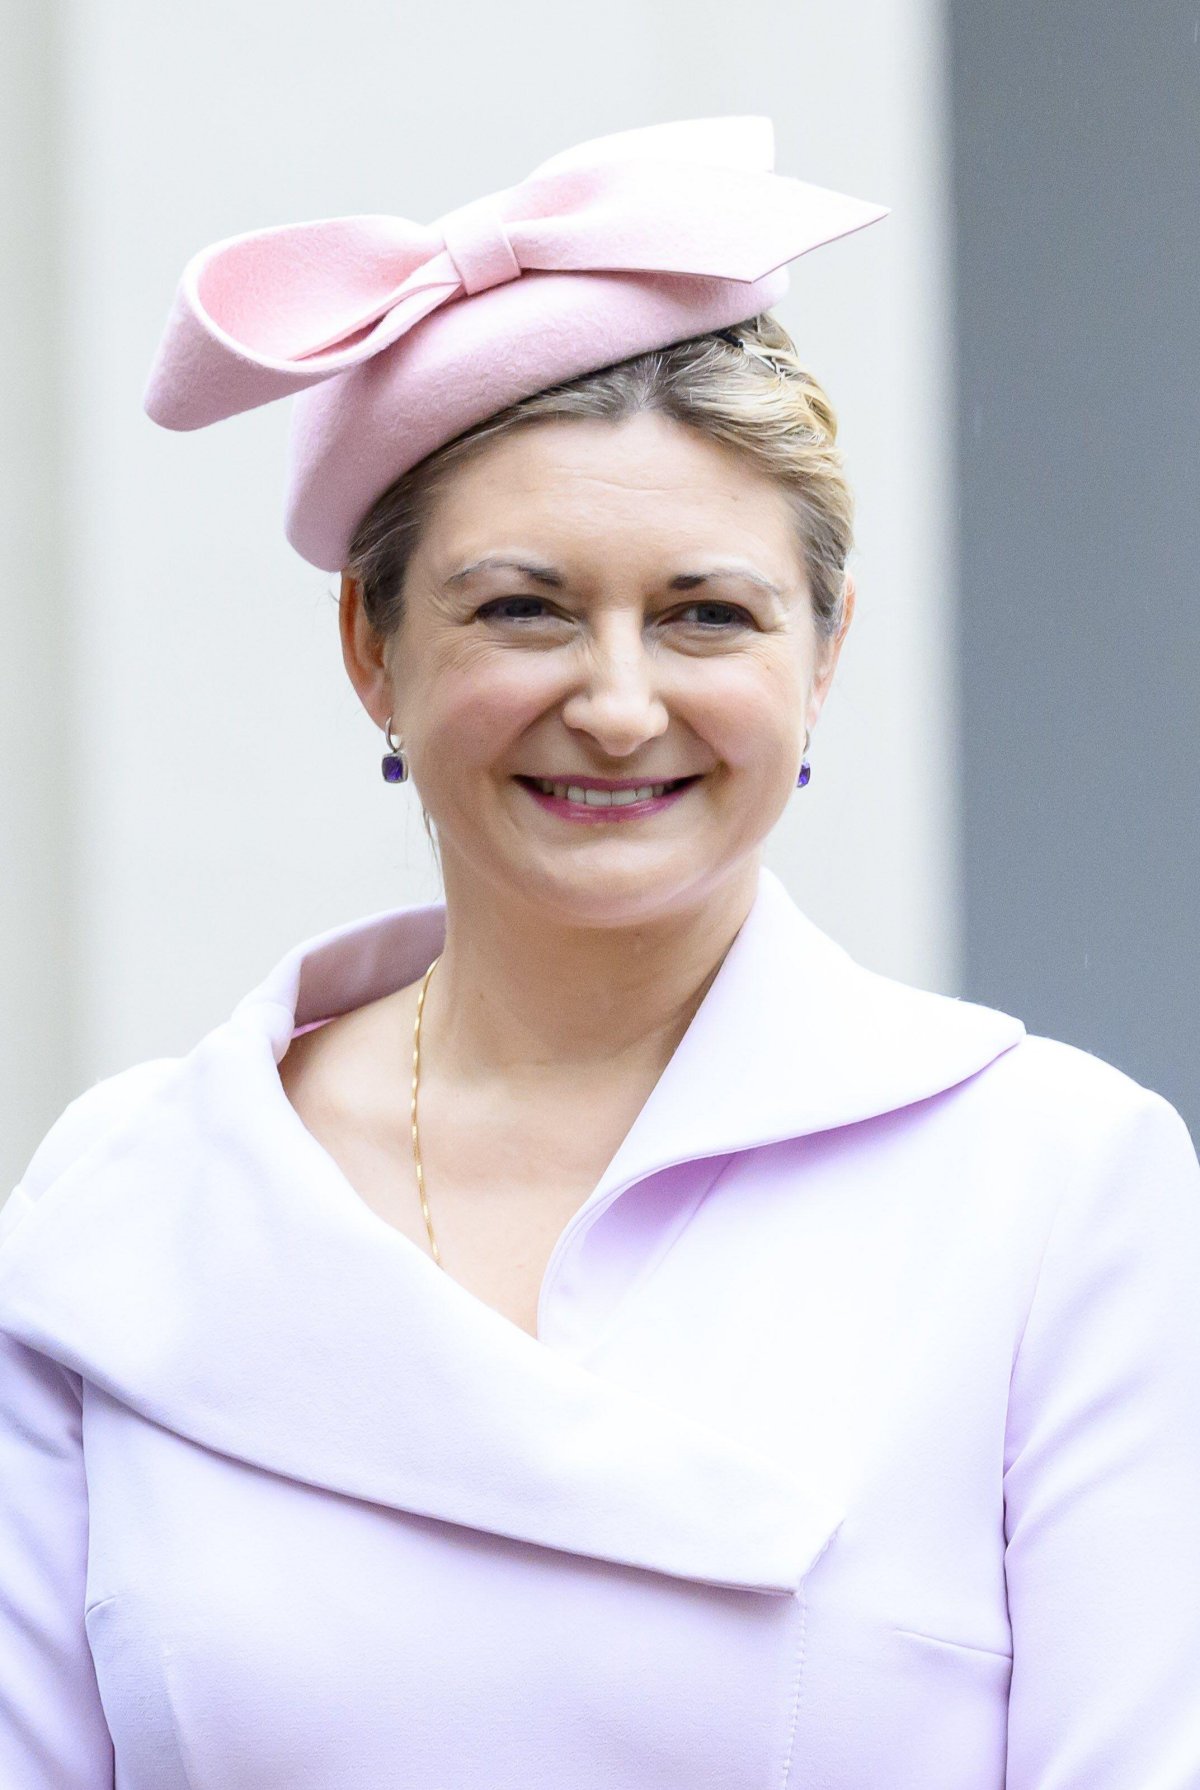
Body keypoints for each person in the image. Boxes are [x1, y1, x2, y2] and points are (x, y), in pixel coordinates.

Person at [1, 116, 1197, 1790]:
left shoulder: (1055, 1184)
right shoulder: (133, 1203)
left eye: (707, 612)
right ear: (372, 645)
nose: (621, 702)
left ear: (825, 651)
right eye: (525, 609)